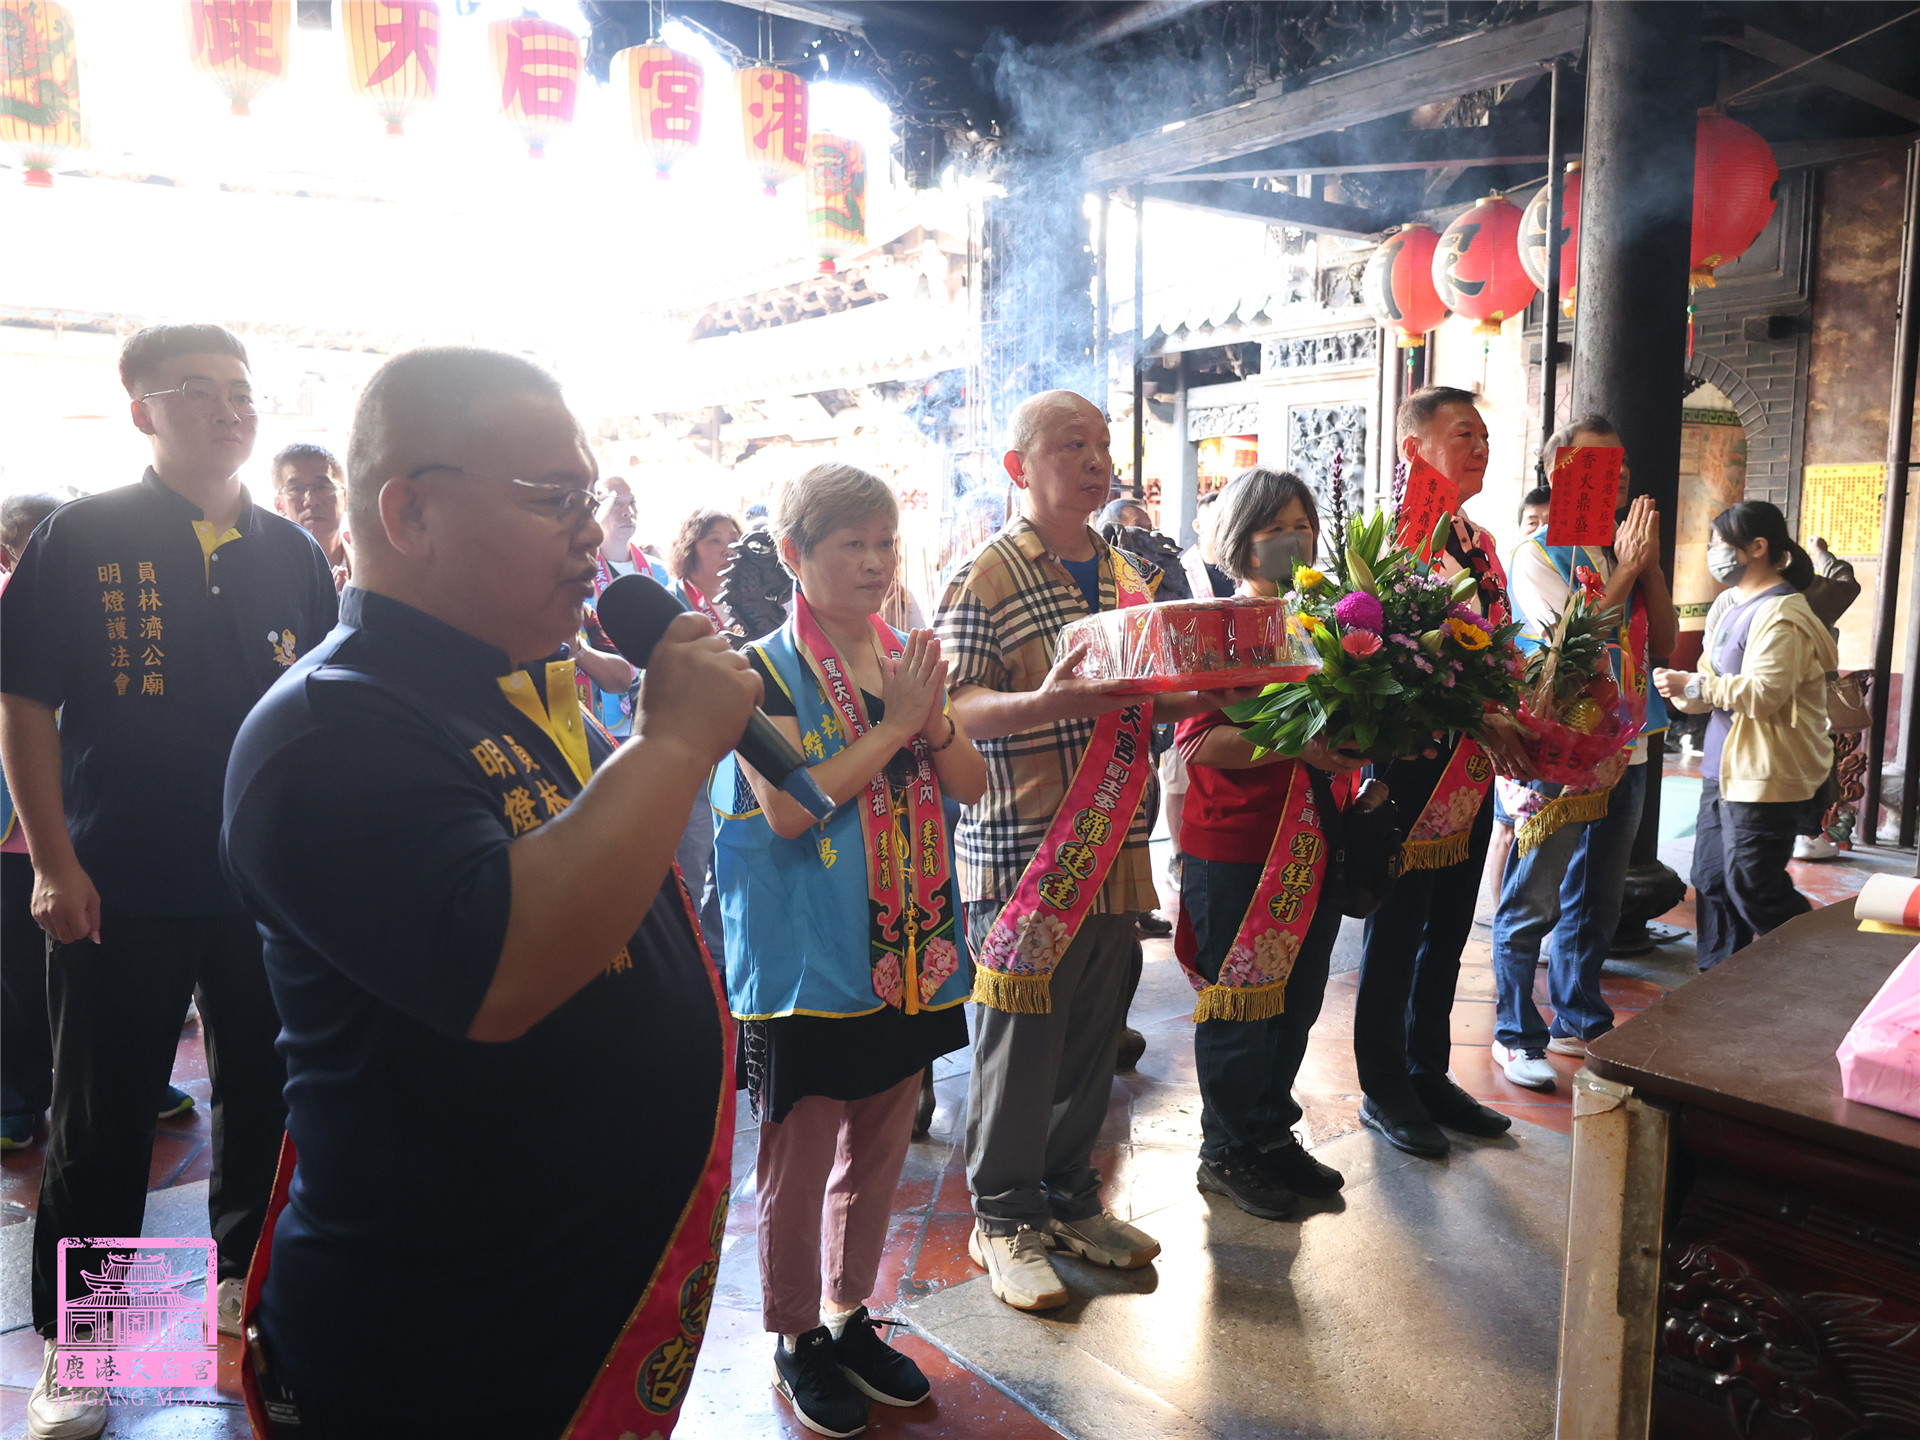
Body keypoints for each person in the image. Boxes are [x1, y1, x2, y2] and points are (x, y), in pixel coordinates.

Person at [221, 347, 760, 1438]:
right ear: (410, 513)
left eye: (590, 500)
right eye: (553, 498)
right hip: (431, 1346)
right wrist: (669, 747)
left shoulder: (501, 690)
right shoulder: (328, 729)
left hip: (562, 1306)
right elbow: (501, 970)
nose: (590, 534)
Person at [0, 323, 339, 1440]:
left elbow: (325, 710)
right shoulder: (82, 537)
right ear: (141, 406)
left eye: (241, 389)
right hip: (118, 881)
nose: (229, 408)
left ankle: (249, 1289)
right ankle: (86, 1348)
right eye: (198, 389)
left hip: (265, 887)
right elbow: (25, 702)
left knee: (271, 1097)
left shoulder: (291, 551)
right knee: (102, 1118)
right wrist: (54, 861)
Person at [937, 390, 1258, 1311]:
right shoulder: (983, 575)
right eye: (1071, 444)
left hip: (1115, 853)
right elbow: (953, 710)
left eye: (1102, 445)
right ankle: (1003, 1218)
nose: (1094, 461)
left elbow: (1145, 698)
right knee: (1017, 1050)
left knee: (1090, 1042)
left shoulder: (1123, 574)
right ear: (1018, 467)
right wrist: (1044, 703)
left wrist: (1217, 692)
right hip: (1025, 858)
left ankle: (1072, 1198)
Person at [713, 462, 987, 1438]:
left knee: (881, 1145)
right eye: (851, 544)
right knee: (798, 1161)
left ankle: (848, 1314)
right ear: (795, 554)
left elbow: (970, 784)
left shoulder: (907, 654)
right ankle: (796, 1337)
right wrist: (900, 725)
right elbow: (792, 808)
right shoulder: (759, 672)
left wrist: (931, 720)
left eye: (885, 543)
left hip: (907, 946)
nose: (875, 562)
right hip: (807, 960)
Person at [1176, 468, 1363, 1220]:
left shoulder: (1328, 618)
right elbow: (1198, 743)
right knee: (1241, 1006)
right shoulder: (1222, 628)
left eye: (1303, 525)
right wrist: (1300, 745)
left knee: (1296, 1000)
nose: (1295, 540)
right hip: (1240, 845)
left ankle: (1268, 1134)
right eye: (1275, 528)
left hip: (1315, 840)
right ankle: (1225, 1152)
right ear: (1239, 540)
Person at [1353, 386, 1528, 1160]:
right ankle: (1383, 1084)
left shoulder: (1479, 542)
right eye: (1464, 434)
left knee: (1451, 925)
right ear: (1413, 449)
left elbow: (1498, 649)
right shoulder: (1391, 542)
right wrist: (1475, 712)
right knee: (1398, 930)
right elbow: (1388, 662)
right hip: (1413, 766)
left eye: (1485, 436)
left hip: (1472, 768)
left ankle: (1428, 1069)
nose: (1480, 448)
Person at [1490, 419, 1677, 1091]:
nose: (1616, 477)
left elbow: (1666, 642)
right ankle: (1514, 1033)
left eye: (1620, 467)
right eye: (1597, 466)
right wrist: (1626, 570)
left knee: (1598, 896)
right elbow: (1569, 644)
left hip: (1630, 741)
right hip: (1562, 750)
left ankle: (1579, 1016)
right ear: (1558, 474)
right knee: (1533, 898)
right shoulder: (1536, 553)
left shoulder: (1619, 546)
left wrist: (1649, 568)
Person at [1654, 502, 1835, 971]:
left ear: (1757, 547)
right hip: (1723, 769)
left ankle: (1818, 964)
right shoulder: (1730, 605)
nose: (1712, 552)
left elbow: (1764, 693)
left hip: (1764, 774)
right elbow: (1708, 679)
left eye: (1719, 543)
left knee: (1753, 883)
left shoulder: (1782, 614)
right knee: (1711, 878)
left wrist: (1693, 686)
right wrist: (1684, 691)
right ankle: (1717, 979)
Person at [1, 491, 73, 1154]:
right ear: (7, 552)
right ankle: (17, 1094)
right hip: (11, 832)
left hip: (81, 818)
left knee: (95, 962)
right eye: (35, 541)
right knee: (18, 972)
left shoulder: (90, 606)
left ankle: (112, 1079)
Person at [1793, 536, 1862, 861]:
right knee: (1817, 760)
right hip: (1812, 697)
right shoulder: (1812, 593)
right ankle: (1808, 834)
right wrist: (1822, 553)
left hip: (1761, 702)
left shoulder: (1746, 595)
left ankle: (1795, 833)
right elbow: (1846, 583)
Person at [270, 442, 351, 589]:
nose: (311, 501)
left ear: (345, 498)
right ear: (279, 505)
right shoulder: (265, 572)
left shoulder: (374, 568)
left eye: (322, 487)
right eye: (296, 488)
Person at [671, 506, 744, 629]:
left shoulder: (750, 598)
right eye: (715, 541)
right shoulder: (670, 601)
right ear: (689, 548)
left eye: (734, 540)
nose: (729, 551)